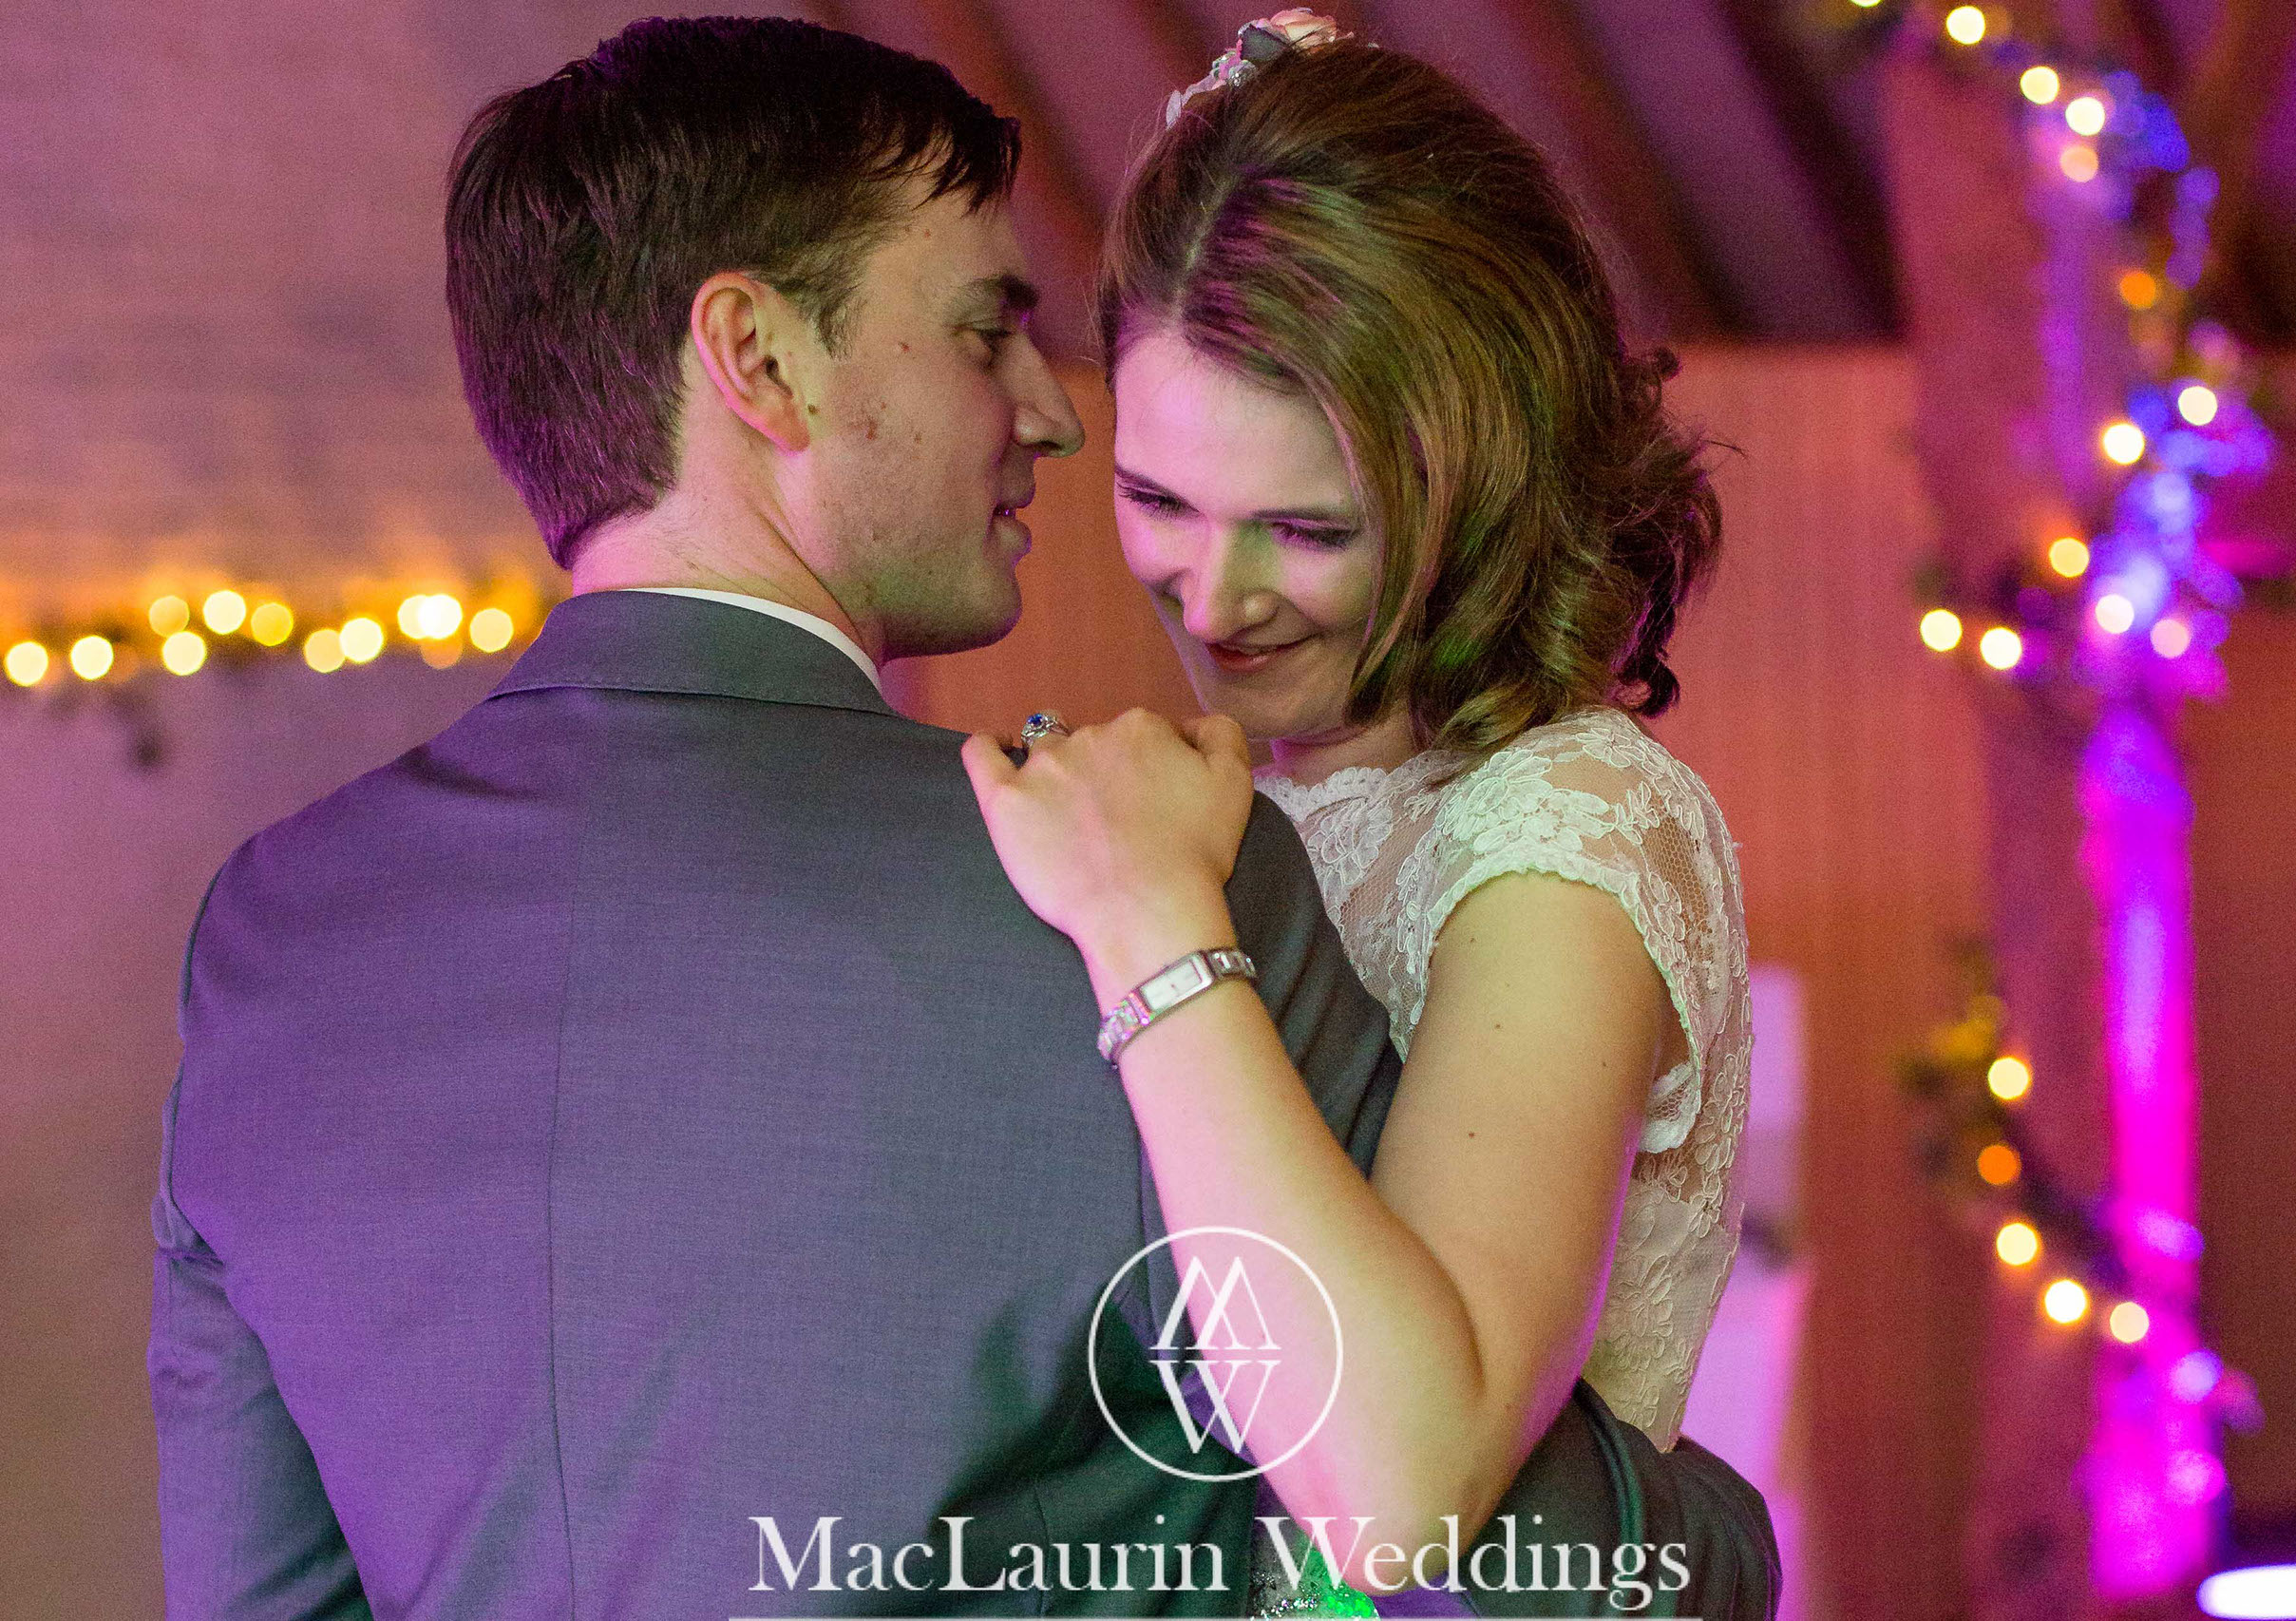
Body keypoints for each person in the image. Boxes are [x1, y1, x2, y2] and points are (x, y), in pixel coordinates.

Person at [144, 19, 1413, 1617]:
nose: (1052, 412)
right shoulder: (1145, 878)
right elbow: (1464, 1524)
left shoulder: (273, 929)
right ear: (755, 359)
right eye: (984, 332)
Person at [963, 14, 1774, 1617]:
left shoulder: (1566, 825)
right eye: (1158, 499)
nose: (1215, 597)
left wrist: (1147, 920)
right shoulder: (1265, 788)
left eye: (1308, 529)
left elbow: (1398, 1492)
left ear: (1475, 486)